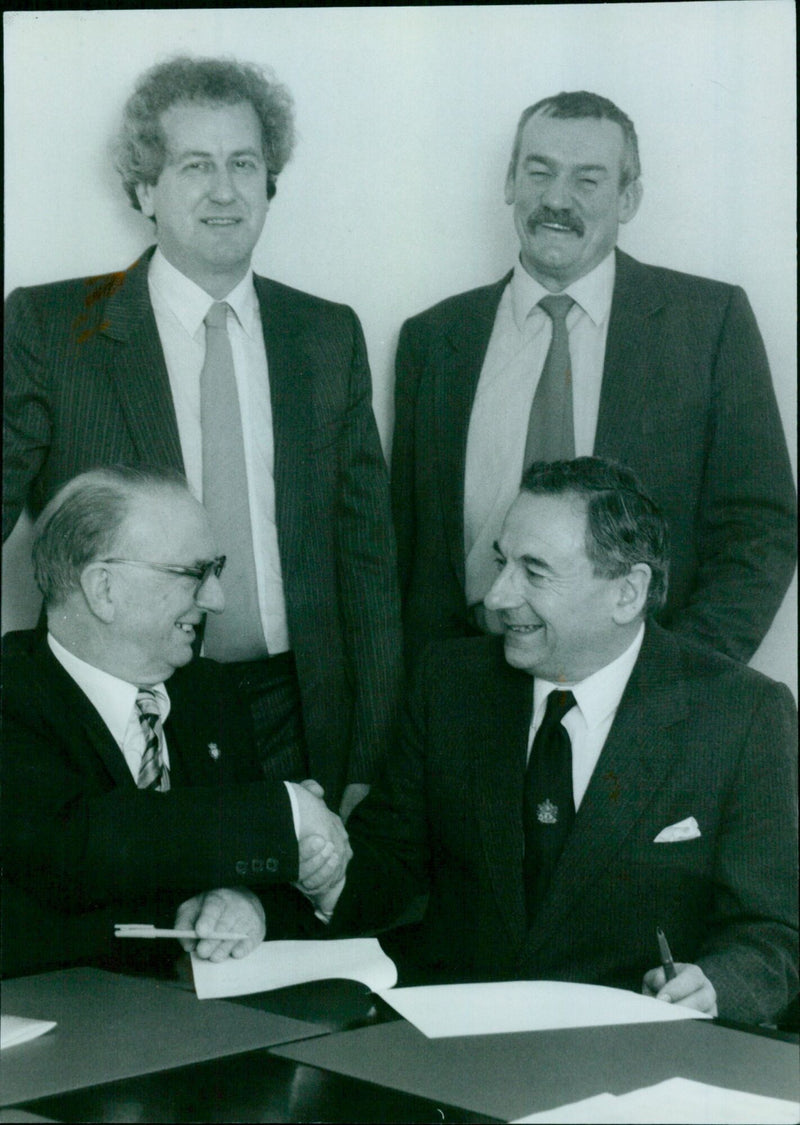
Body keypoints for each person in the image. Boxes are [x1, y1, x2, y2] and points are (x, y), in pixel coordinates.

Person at [3, 55, 402, 819]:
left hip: (298, 713)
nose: (225, 190)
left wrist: (371, 756)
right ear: (145, 188)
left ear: (268, 182)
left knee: (284, 926)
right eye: (195, 166)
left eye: (244, 164)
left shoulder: (326, 335)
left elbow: (369, 561)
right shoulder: (53, 327)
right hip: (121, 707)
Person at [302, 459, 798, 1026]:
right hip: (454, 1051)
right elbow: (389, 864)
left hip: (629, 1061)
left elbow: (773, 933)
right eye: (501, 563)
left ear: (627, 592)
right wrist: (328, 870)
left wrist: (715, 986)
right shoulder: (449, 683)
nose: (495, 597)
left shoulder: (741, 714)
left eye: (533, 573)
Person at [391, 90, 796, 667]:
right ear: (510, 182)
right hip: (466, 689)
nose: (556, 199)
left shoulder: (708, 325)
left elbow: (759, 531)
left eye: (588, 180)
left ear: (628, 197)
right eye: (539, 172)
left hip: (640, 695)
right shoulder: (433, 339)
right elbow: (406, 550)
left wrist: (675, 676)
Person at [1, 467, 351, 978]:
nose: (216, 600)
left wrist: (246, 902)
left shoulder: (208, 693)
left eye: (217, 571)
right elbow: (74, 850)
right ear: (104, 588)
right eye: (193, 574)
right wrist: (285, 812)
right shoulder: (11, 694)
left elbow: (255, 871)